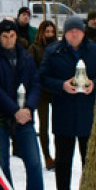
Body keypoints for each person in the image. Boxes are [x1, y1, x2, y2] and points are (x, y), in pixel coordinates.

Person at [0, 19, 54, 190]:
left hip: (24, 117)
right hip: (1, 117)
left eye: (12, 36)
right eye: (5, 36)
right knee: (3, 164)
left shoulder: (25, 56)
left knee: (33, 163)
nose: (9, 40)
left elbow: (35, 84)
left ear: (16, 36)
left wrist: (28, 109)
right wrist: (14, 111)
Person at [39, 14, 96, 190]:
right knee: (63, 162)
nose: (74, 34)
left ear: (83, 32)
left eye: (77, 30)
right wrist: (61, 86)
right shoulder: (53, 52)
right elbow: (42, 77)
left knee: (89, 161)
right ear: (65, 33)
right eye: (70, 31)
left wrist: (93, 84)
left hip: (88, 114)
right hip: (64, 114)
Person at [28, 19, 58, 170]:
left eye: (52, 31)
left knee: (58, 125)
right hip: (41, 91)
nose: (50, 34)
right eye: (47, 31)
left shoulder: (58, 47)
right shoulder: (34, 48)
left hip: (56, 90)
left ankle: (59, 155)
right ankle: (47, 155)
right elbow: (30, 69)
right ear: (41, 32)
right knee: (43, 125)